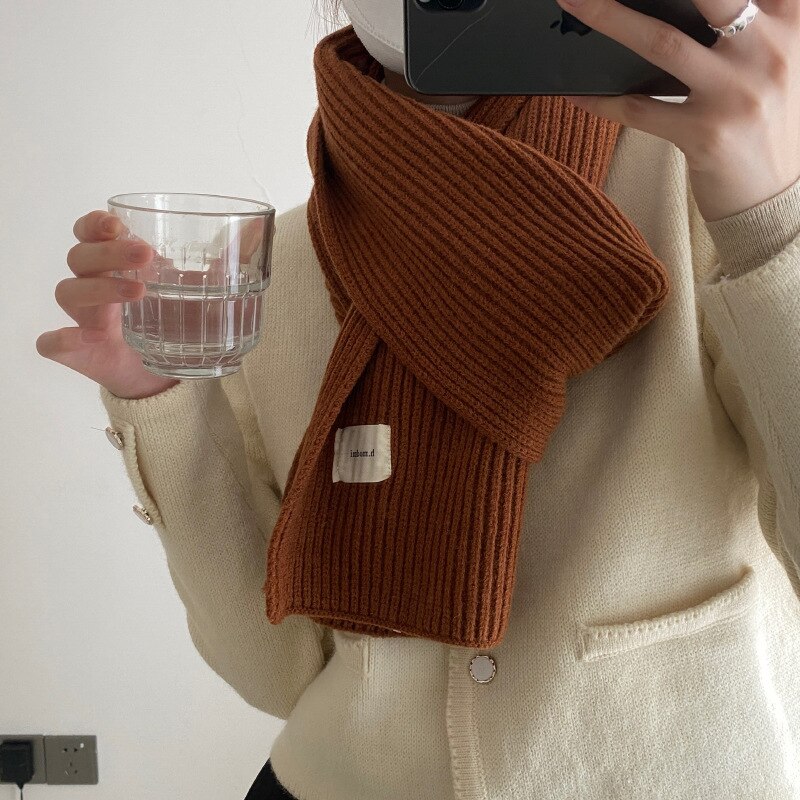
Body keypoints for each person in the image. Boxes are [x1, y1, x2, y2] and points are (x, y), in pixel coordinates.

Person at [37, 0, 800, 797]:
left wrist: (771, 221)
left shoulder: (715, 180)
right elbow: (276, 672)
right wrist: (157, 396)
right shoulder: (279, 260)